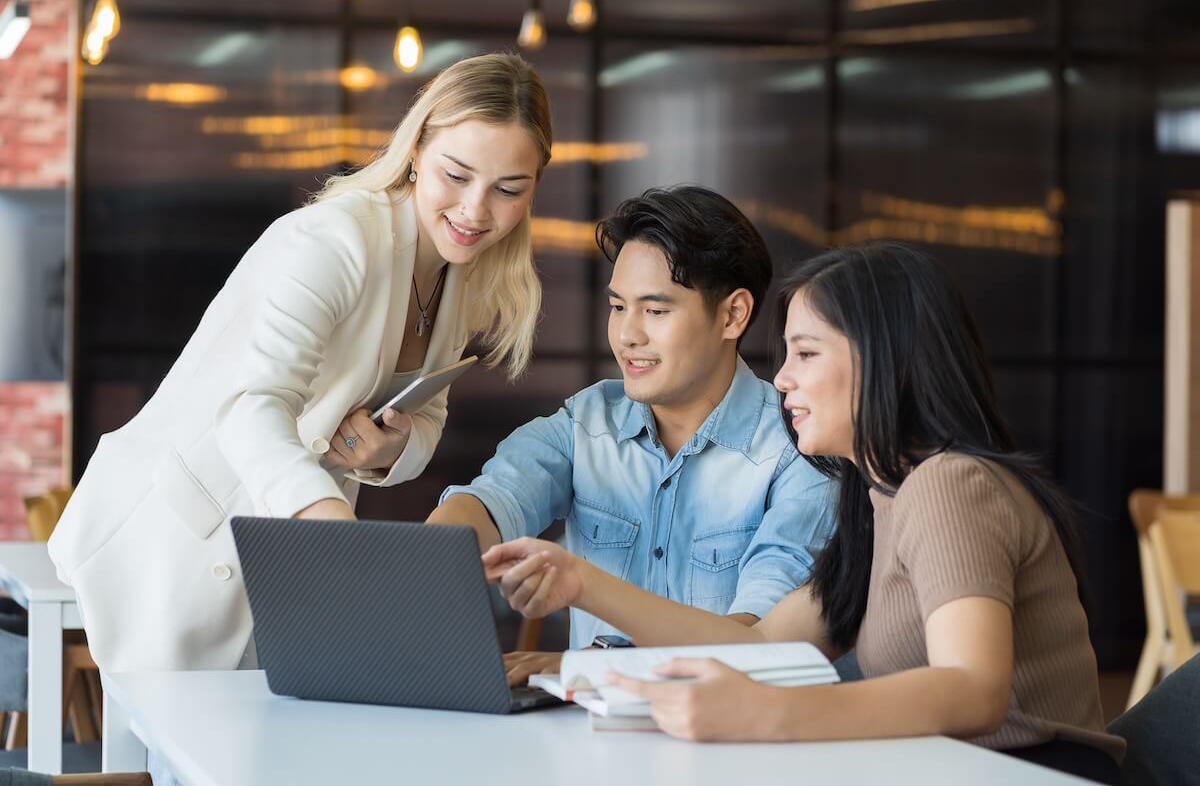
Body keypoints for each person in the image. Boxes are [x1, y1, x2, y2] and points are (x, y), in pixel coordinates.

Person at [484, 242, 1124, 784]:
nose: (782, 379)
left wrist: (763, 716)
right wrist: (583, 590)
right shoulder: (874, 501)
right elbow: (757, 644)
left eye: (807, 354)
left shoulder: (950, 483)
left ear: (885, 359)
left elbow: (972, 689)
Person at [48, 52, 552, 673]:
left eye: (509, 190)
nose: (477, 210)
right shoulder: (334, 240)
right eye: (457, 174)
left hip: (282, 552)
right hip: (180, 536)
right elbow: (252, 407)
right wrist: (329, 526)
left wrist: (386, 453)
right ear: (417, 150)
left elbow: (429, 415)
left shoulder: (460, 274)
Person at [427, 185, 833, 685]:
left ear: (733, 315)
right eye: (619, 307)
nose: (627, 335)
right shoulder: (588, 421)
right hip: (590, 742)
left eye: (656, 311)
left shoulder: (800, 450)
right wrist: (438, 552)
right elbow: (492, 498)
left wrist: (590, 663)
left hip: (729, 745)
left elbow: (758, 648)